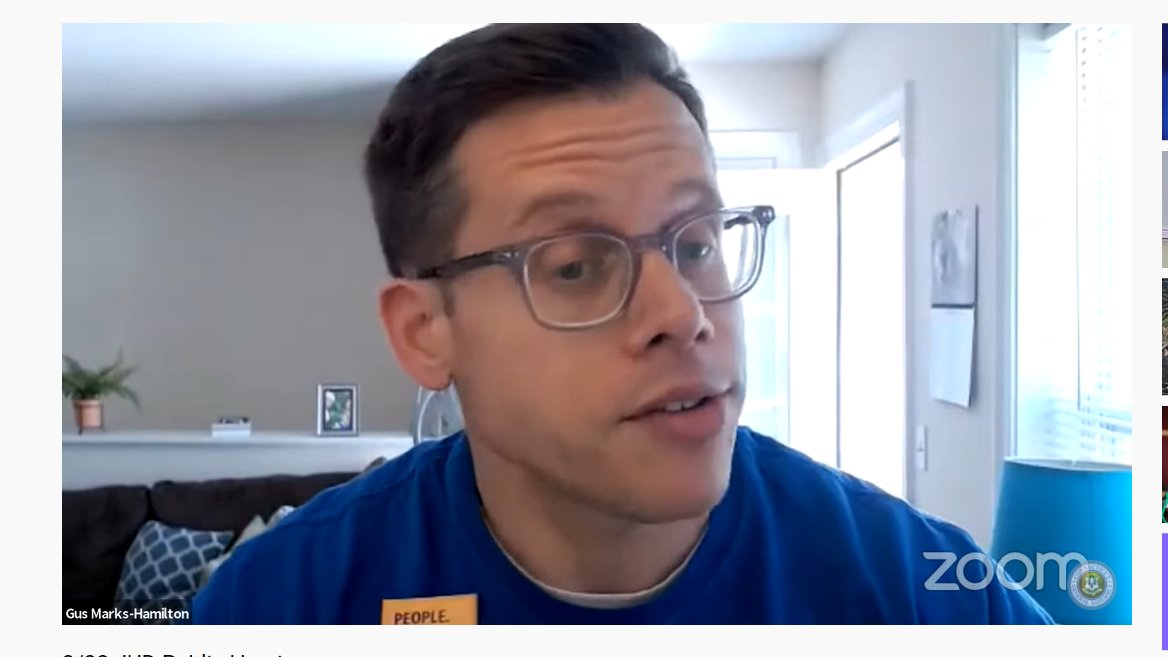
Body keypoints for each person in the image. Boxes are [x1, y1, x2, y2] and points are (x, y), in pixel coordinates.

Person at [193, 23, 1054, 624]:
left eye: (697, 242)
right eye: (574, 265)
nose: (682, 315)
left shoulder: (922, 591)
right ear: (426, 330)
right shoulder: (282, 601)